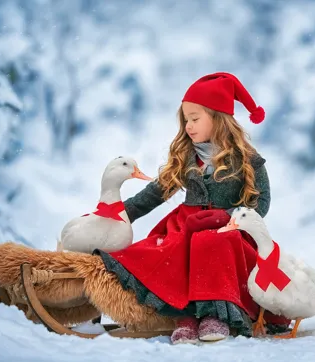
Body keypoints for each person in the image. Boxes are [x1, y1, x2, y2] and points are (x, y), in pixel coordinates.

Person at [96, 72, 290, 344]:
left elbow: (261, 202)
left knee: (212, 243)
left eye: (195, 119)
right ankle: (184, 315)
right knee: (170, 248)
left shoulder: (248, 160)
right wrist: (114, 213)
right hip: (187, 222)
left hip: (229, 229)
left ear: (218, 118)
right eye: (186, 120)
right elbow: (154, 193)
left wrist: (228, 215)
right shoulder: (186, 157)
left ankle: (214, 315)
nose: (188, 126)